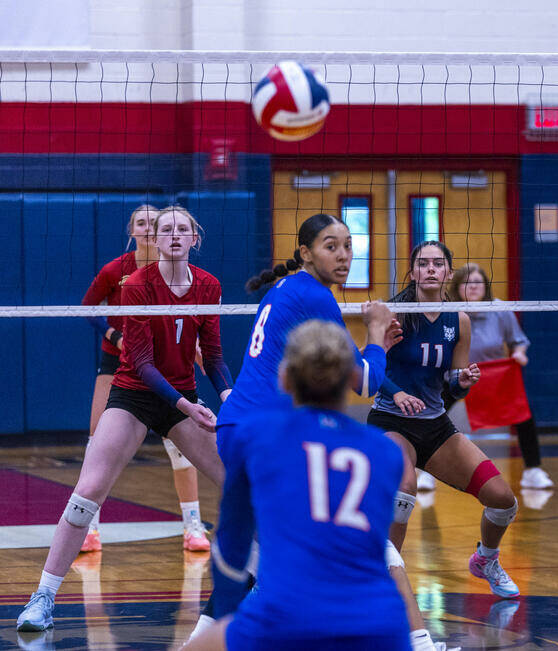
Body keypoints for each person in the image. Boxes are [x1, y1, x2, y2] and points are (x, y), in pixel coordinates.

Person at [191, 213, 448, 651]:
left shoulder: (288, 288)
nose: (344, 255)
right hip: (266, 432)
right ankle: (418, 639)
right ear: (307, 253)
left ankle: (201, 639)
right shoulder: (316, 297)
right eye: (332, 246)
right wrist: (377, 334)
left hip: (244, 424)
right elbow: (364, 382)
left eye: (348, 245)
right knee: (346, 529)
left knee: (260, 541)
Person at [17, 206, 231, 632]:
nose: (172, 235)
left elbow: (214, 354)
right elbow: (142, 361)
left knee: (241, 484)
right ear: (153, 238)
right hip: (135, 393)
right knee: (88, 490)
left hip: (183, 395)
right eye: (165, 228)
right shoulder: (135, 284)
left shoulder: (209, 285)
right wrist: (185, 407)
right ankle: (43, 596)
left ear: (194, 239)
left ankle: (259, 582)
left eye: (181, 229)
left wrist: (229, 396)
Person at [182, 320, 411, 650]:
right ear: (350, 378)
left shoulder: (259, 439)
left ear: (285, 378)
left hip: (288, 614)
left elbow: (232, 548)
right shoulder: (386, 453)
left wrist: (234, 618)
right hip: (379, 622)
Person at [368, 241, 521, 599]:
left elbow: (454, 382)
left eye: (439, 264)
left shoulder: (459, 320)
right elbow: (371, 369)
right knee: (403, 490)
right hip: (391, 421)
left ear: (449, 273)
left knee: (502, 498)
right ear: (413, 272)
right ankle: (385, 583)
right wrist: (398, 392)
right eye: (424, 264)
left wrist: (463, 382)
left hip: (435, 426)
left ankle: (486, 559)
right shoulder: (394, 315)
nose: (432, 269)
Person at [80, 203, 210, 552]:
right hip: (120, 366)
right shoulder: (117, 271)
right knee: (98, 442)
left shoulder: (177, 269)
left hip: (168, 366)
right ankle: (89, 527)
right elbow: (88, 308)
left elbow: (189, 316)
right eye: (142, 223)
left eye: (156, 222)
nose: (150, 228)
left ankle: (193, 526)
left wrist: (194, 344)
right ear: (133, 232)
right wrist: (114, 336)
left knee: (180, 450)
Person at [443, 262, 553, 489]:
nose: (473, 287)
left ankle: (533, 471)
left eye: (478, 282)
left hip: (494, 375)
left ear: (485, 286)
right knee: (435, 415)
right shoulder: (450, 312)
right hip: (458, 374)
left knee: (523, 416)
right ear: (457, 287)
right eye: (467, 282)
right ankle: (424, 470)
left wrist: (519, 354)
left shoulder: (500, 309)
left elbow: (518, 341)